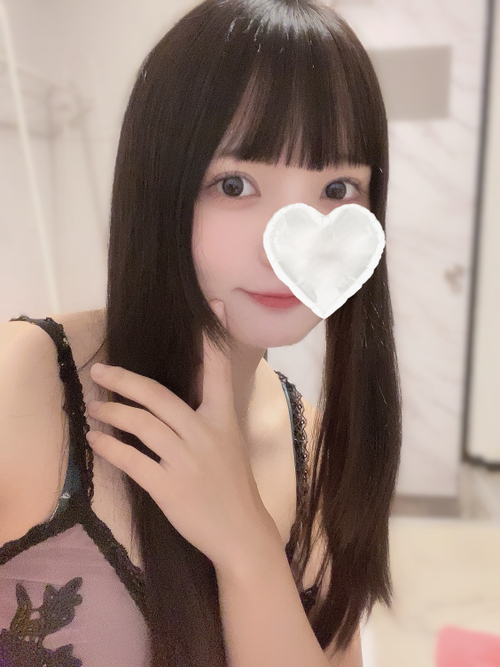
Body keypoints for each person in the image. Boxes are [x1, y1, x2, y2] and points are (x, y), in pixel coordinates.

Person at [0, 0, 402, 665]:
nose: (284, 247)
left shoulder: (313, 445)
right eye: (236, 184)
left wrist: (246, 547)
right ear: (160, 185)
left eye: (337, 189)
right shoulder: (25, 385)